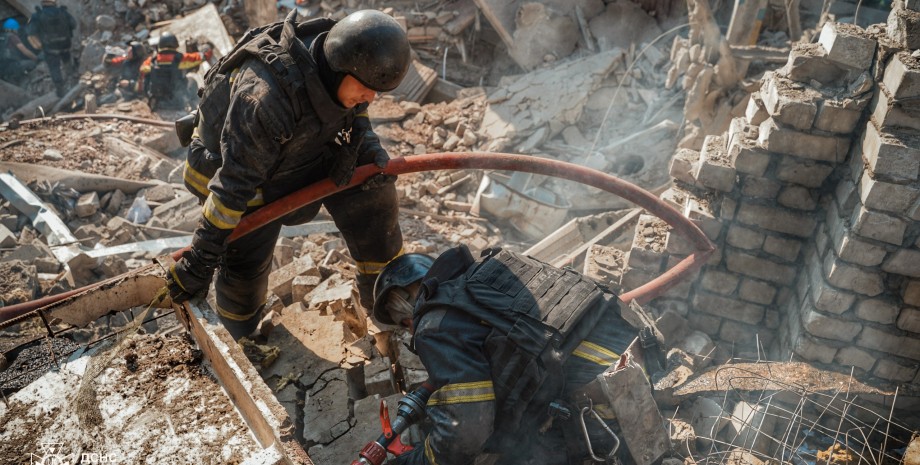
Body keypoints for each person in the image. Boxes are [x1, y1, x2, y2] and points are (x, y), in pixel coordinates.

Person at [166, 9, 411, 341]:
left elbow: (357, 109)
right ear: (339, 70)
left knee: (374, 194)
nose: (371, 97)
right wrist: (198, 261)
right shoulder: (266, 98)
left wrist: (367, 146)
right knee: (244, 269)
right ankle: (241, 338)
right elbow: (231, 190)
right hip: (235, 176)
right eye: (366, 89)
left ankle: (383, 300)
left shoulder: (341, 60)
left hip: (297, 157)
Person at [371, 245, 655, 465]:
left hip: (604, 399)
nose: (410, 329)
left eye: (403, 323)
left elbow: (467, 429)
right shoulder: (487, 273)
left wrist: (424, 458)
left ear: (404, 308)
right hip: (641, 350)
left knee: (515, 450)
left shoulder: (433, 325)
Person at [136, 32, 211, 110]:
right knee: (192, 81)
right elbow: (200, 57)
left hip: (158, 99)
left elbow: (142, 69)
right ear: (175, 44)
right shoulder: (181, 58)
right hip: (177, 101)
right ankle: (190, 102)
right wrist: (207, 49)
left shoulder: (153, 60)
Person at [27, 0, 75, 97]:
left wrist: (39, 45)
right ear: (54, 2)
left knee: (54, 68)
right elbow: (73, 24)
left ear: (43, 3)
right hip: (65, 45)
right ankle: (73, 82)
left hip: (50, 48)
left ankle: (60, 91)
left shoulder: (37, 15)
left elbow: (31, 33)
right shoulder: (63, 12)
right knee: (67, 63)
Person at [0, 18, 39, 85]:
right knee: (31, 63)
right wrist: (37, 59)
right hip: (10, 66)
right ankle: (15, 78)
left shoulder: (2, 37)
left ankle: (9, 78)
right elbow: (25, 51)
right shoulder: (12, 37)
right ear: (13, 28)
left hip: (2, 68)